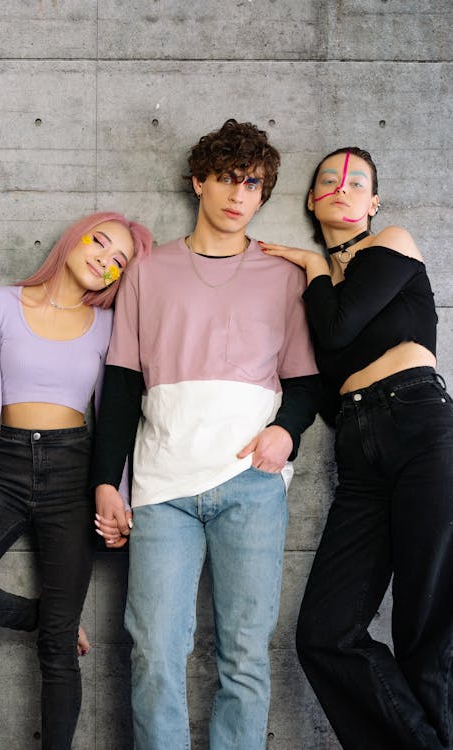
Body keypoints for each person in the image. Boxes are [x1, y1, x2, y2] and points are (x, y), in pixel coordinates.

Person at [91, 119, 320, 749]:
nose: (237, 193)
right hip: (162, 489)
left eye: (251, 183)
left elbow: (306, 382)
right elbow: (120, 387)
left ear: (263, 193)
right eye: (225, 177)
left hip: (252, 485)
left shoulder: (283, 276)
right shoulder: (148, 271)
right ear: (199, 182)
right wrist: (105, 483)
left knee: (244, 659)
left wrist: (286, 434)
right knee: (155, 653)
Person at [260, 147, 453, 750]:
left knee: (427, 626)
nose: (341, 187)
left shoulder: (391, 243)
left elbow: (341, 329)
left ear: (373, 203)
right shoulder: (316, 294)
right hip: (357, 449)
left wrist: (315, 268)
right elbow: (319, 384)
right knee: (324, 632)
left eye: (357, 181)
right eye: (327, 180)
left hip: (422, 426)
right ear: (313, 200)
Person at [0, 211, 152, 750]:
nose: (104, 261)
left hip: (74, 471)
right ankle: (45, 617)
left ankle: (57, 633)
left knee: (58, 651)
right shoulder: (0, 302)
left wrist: (120, 496)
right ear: (75, 237)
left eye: (118, 263)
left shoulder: (111, 326)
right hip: (5, 469)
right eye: (101, 243)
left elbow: (112, 417)